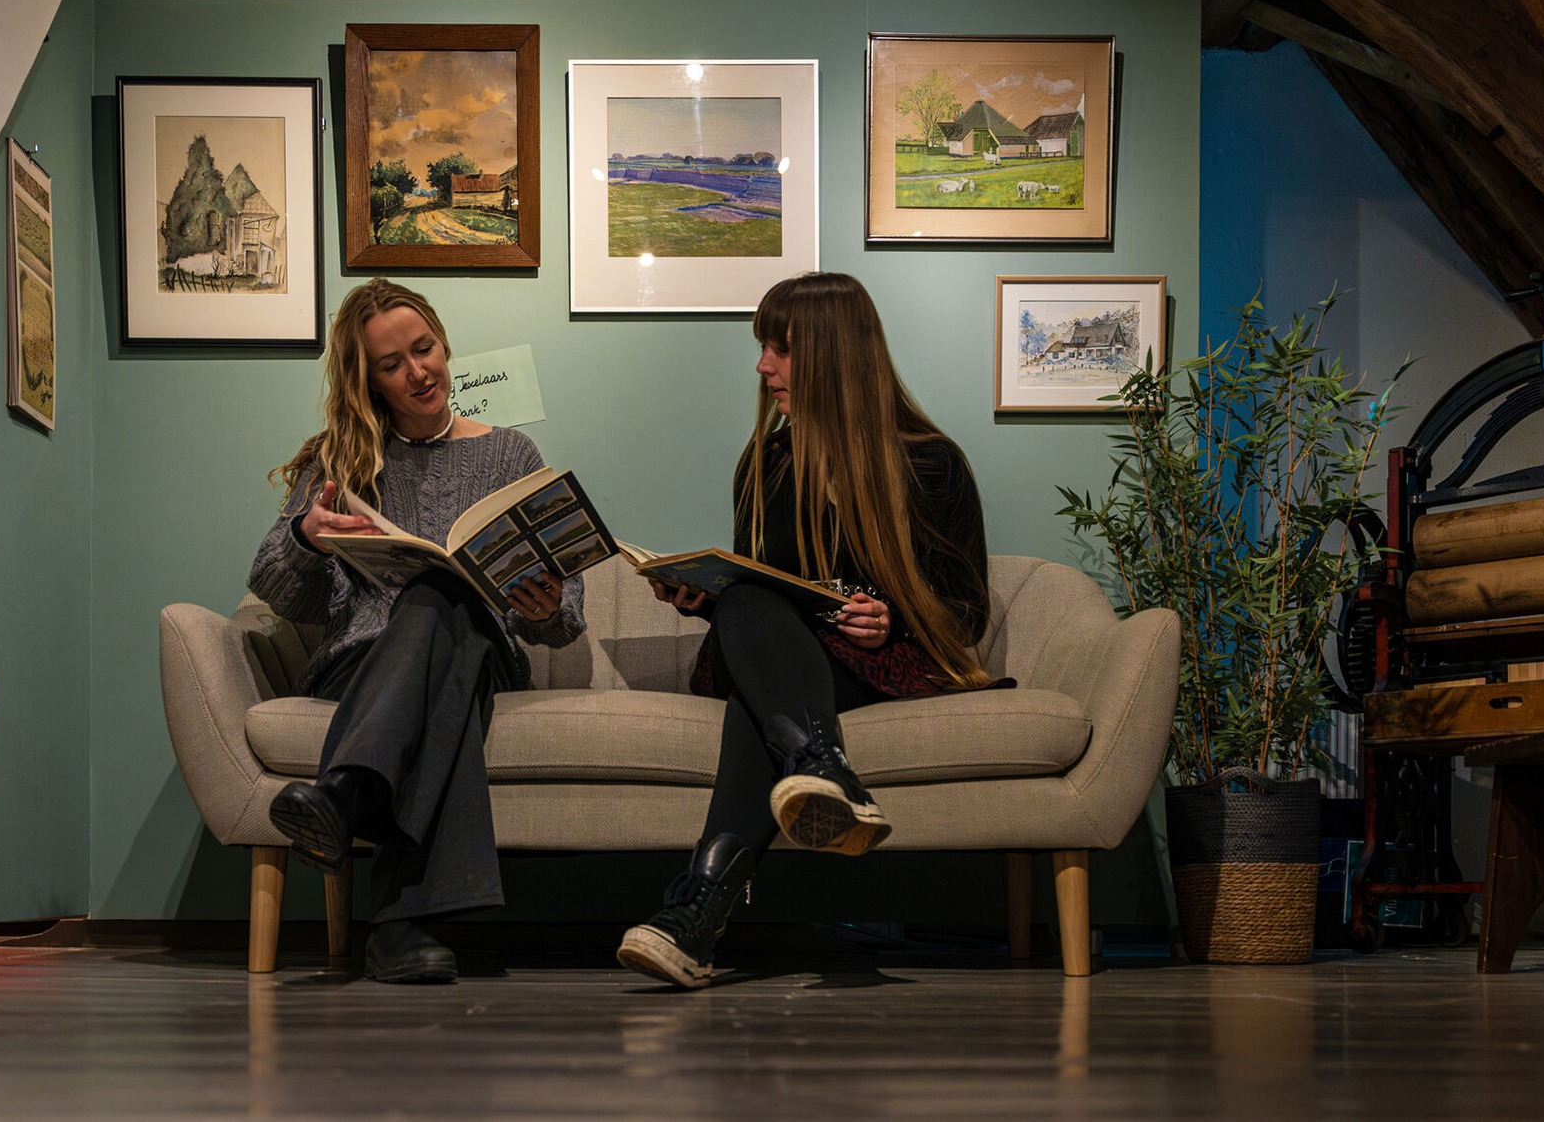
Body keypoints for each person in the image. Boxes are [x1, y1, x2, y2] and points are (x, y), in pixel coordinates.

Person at [616, 271, 997, 988]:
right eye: (764, 347)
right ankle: (821, 767)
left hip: (873, 665)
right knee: (749, 603)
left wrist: (891, 620)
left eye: (780, 349)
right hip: (777, 655)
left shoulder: (931, 462)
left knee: (758, 708)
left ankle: (696, 914)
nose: (763, 367)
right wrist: (702, 594)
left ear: (831, 354)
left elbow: (967, 611)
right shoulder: (767, 461)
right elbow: (756, 595)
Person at [250, 278, 585, 984]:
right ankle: (403, 924)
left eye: (424, 349)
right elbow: (279, 591)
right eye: (392, 363)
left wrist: (544, 600)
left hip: (483, 653)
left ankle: (345, 794)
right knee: (442, 660)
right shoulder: (339, 461)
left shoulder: (511, 454)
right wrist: (309, 537)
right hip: (363, 665)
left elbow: (564, 620)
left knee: (443, 595)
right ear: (367, 378)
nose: (418, 371)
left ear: (443, 341)